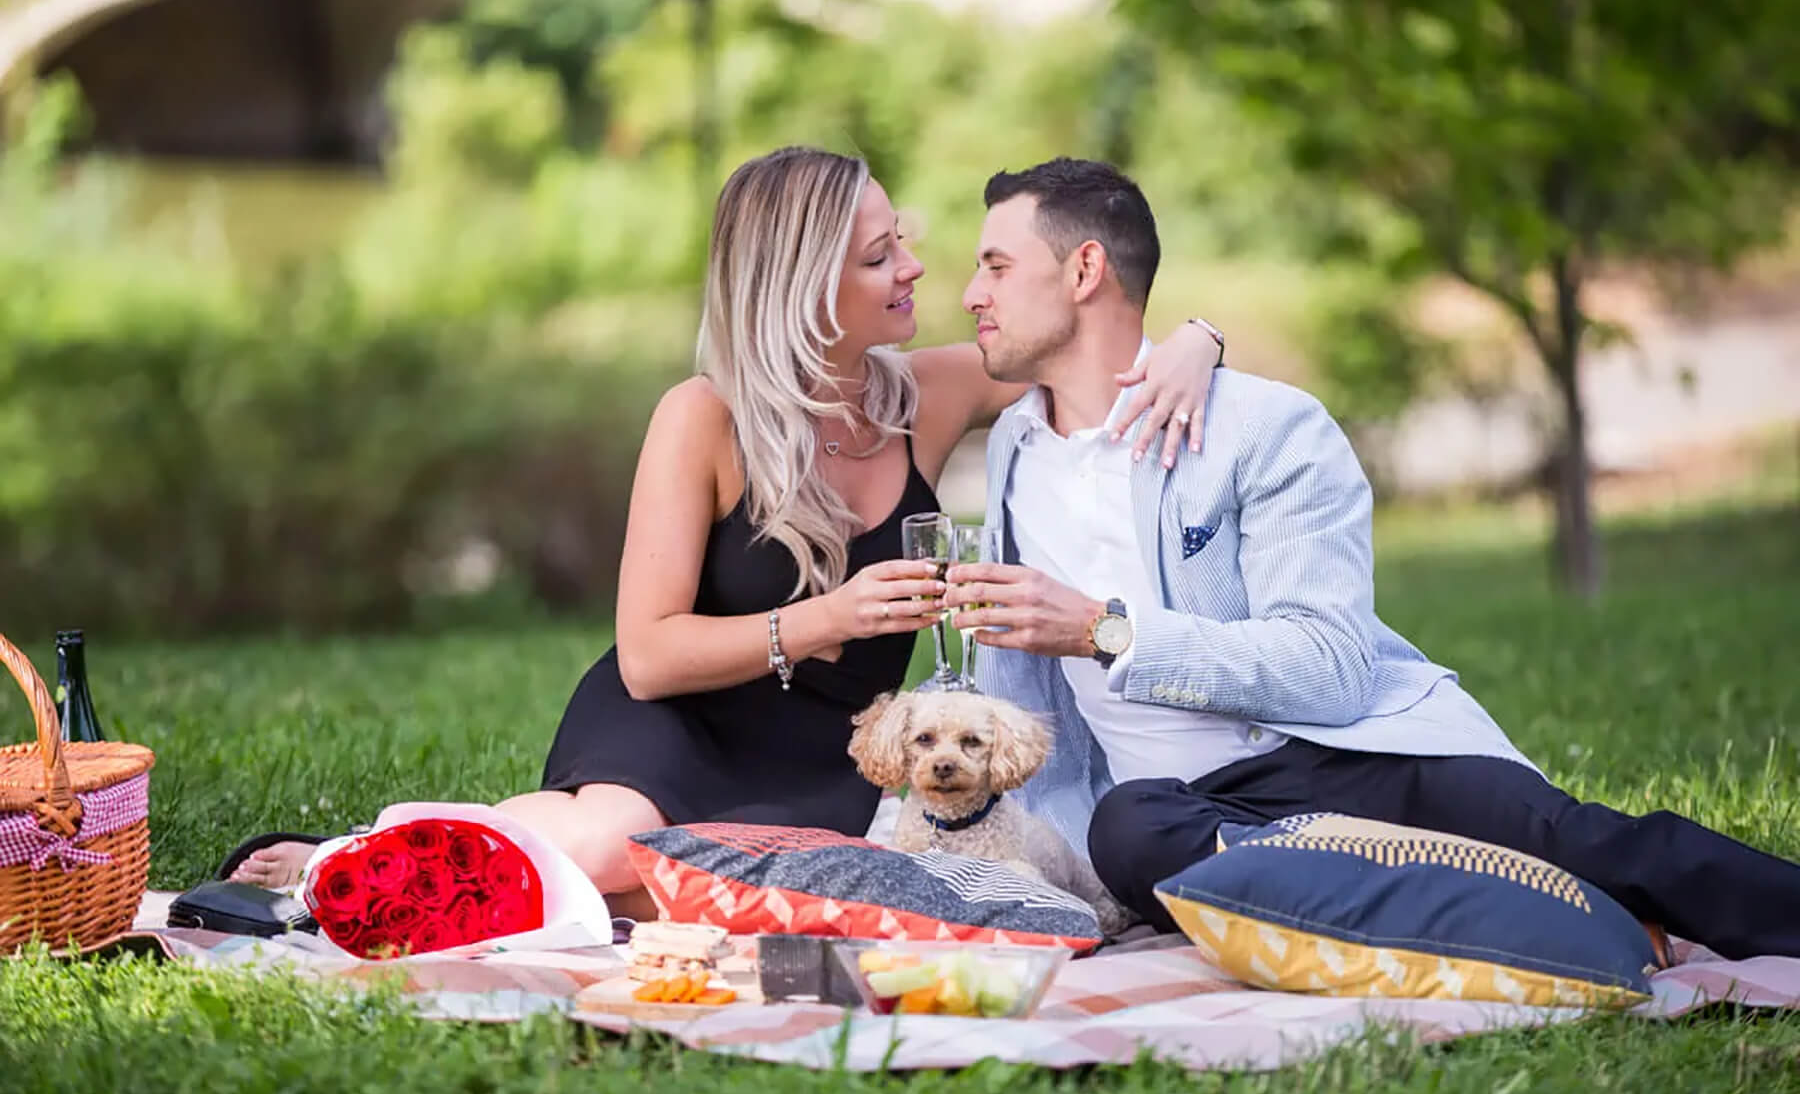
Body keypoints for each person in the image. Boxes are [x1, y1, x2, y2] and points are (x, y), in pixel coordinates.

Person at [231, 146, 1225, 919]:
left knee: (735, 895)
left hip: (828, 755)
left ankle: (432, 855)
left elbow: (1082, 325)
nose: (917, 268)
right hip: (681, 719)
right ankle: (347, 860)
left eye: (902, 242)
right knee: (617, 846)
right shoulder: (704, 419)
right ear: (803, 286)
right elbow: (649, 653)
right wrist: (819, 618)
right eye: (881, 256)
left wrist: (1197, 342)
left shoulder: (930, 393)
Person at [944, 156, 1800, 960]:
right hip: (1191, 814)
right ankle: (1519, 910)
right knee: (1127, 832)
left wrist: (1107, 632)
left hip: (1355, 757)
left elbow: (1329, 668)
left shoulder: (1265, 428)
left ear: (1085, 270)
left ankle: (1509, 901)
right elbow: (1026, 707)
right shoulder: (1015, 446)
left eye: (996, 266)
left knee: (1592, 843)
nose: (971, 292)